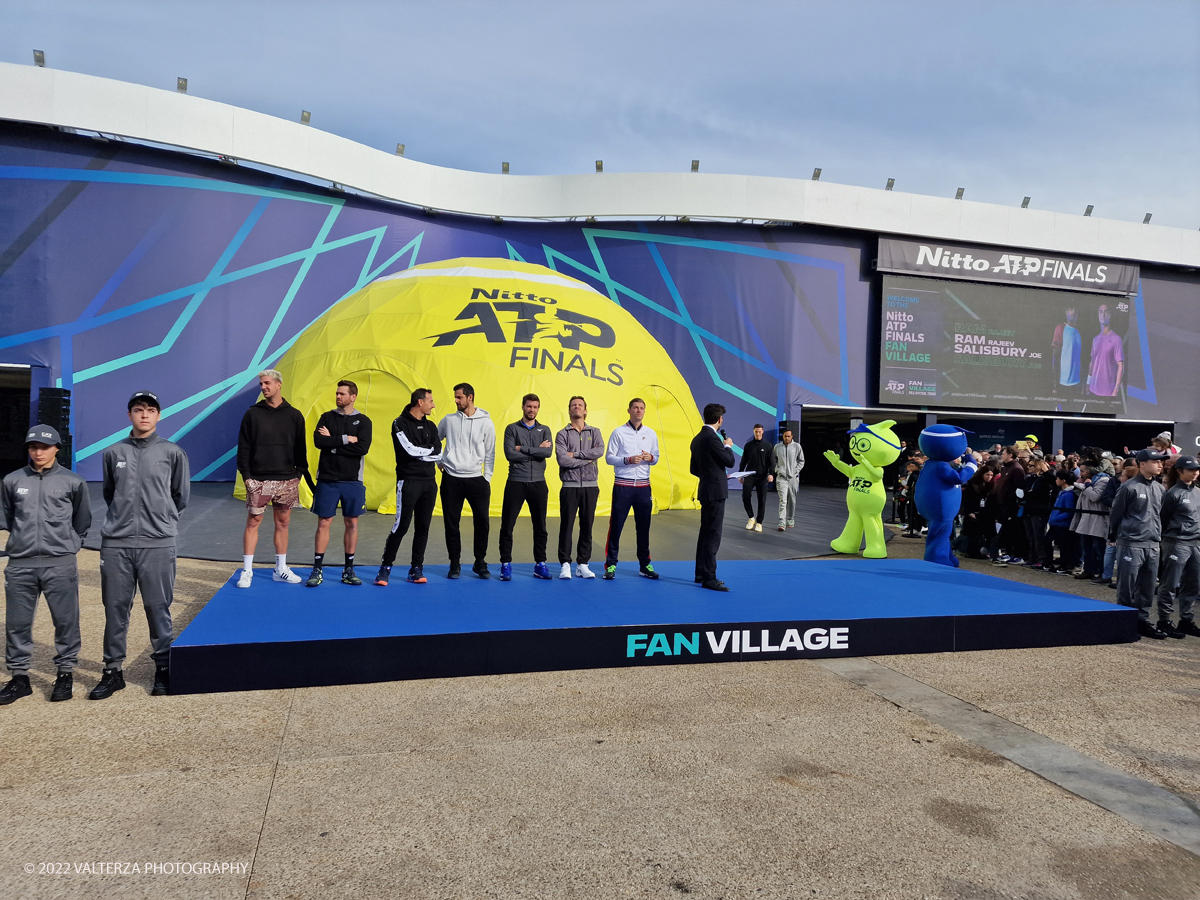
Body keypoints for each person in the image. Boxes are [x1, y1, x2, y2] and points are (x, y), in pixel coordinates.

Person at [92, 391, 191, 701]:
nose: (144, 415)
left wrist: (159, 521)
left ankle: (162, 668)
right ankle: (112, 672)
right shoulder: (112, 452)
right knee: (116, 609)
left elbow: (180, 496)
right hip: (117, 544)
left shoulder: (172, 453)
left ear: (158, 416)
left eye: (150, 410)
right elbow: (111, 493)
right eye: (138, 410)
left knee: (157, 608)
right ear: (130, 415)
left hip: (158, 543)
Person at [0, 426, 91, 705]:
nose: (38, 452)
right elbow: (8, 517)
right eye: (33, 447)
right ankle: (19, 678)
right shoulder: (12, 481)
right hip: (21, 564)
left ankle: (65, 674)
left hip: (59, 564)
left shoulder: (73, 481)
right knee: (17, 623)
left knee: (66, 621)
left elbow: (82, 520)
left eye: (44, 446)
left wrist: (70, 544)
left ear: (56, 449)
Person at [236, 369, 310, 587]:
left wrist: (298, 474)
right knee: (253, 521)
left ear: (279, 384)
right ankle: (247, 571)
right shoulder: (252, 414)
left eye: (267, 383)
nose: (263, 387)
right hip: (258, 479)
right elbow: (244, 446)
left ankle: (281, 569)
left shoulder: (294, 415)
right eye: (261, 384)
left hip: (287, 479)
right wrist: (247, 476)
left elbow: (300, 447)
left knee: (283, 522)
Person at [308, 380, 372, 587]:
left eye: (342, 394)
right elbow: (319, 442)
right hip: (327, 479)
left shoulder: (363, 421)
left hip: (352, 481)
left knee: (352, 523)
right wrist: (346, 439)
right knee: (324, 522)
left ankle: (349, 569)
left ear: (353, 397)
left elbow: (362, 448)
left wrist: (333, 442)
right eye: (337, 393)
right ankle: (317, 569)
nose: (338, 397)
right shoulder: (327, 417)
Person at [377, 388, 441, 586]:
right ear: (419, 402)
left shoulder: (432, 425)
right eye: (430, 400)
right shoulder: (399, 423)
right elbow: (409, 450)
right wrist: (428, 452)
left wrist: (427, 453)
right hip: (408, 482)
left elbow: (438, 452)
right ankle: (385, 568)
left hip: (429, 483)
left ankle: (416, 568)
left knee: (423, 527)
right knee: (401, 525)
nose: (433, 404)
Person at [1109, 448, 1169, 639]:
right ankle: (1124, 622)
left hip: (1152, 544)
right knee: (1126, 585)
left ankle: (1142, 621)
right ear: (1142, 463)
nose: (1160, 464)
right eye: (1156, 461)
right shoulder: (1129, 487)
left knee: (1148, 585)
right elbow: (1116, 514)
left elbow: (1161, 515)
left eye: (1161, 462)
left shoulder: (1160, 488)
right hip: (1131, 542)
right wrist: (1117, 535)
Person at [437, 383, 495, 579]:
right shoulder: (448, 420)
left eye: (459, 397)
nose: (456, 400)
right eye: (455, 397)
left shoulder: (486, 422)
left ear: (470, 397)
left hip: (476, 480)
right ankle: (454, 564)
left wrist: (486, 478)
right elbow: (435, 442)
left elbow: (490, 453)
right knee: (451, 523)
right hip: (451, 479)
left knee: (482, 523)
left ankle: (480, 562)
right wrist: (439, 461)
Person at [499, 394, 554, 581]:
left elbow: (547, 452)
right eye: (529, 406)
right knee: (507, 525)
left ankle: (540, 564)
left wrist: (521, 448)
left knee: (540, 526)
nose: (532, 410)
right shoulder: (511, 428)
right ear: (523, 407)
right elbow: (509, 454)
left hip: (538, 483)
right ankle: (505, 564)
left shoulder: (545, 430)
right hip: (516, 482)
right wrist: (535, 451)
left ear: (538, 409)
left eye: (535, 407)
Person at [603, 397, 660, 580]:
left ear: (644, 411)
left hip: (643, 487)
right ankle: (611, 565)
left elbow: (656, 457)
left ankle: (645, 565)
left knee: (644, 528)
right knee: (616, 526)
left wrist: (650, 457)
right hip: (623, 486)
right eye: (635, 407)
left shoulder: (651, 433)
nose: (638, 410)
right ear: (629, 410)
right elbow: (609, 458)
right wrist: (627, 460)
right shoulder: (618, 432)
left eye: (642, 408)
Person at [555, 395, 603, 579]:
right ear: (569, 410)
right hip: (569, 485)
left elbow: (599, 451)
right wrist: (587, 459)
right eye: (573, 405)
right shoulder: (562, 434)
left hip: (591, 486)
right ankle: (565, 563)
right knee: (566, 525)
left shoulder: (595, 432)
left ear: (585, 411)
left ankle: (582, 563)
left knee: (587, 526)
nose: (576, 407)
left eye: (579, 405)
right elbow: (562, 460)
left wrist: (575, 454)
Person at [690, 403, 736, 591]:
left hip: (706, 489)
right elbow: (730, 461)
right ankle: (709, 577)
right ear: (719, 420)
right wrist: (728, 446)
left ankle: (700, 572)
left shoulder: (697, 439)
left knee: (705, 532)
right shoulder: (713, 439)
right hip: (715, 491)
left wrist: (711, 473)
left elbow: (694, 469)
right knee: (713, 534)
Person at [1154, 455, 1200, 639]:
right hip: (1176, 542)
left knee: (1193, 584)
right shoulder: (1173, 494)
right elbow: (1163, 518)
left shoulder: (1198, 492)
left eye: (1197, 469)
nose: (1195, 473)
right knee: (1170, 583)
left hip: (1196, 543)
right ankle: (1164, 620)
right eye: (1191, 470)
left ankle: (1186, 620)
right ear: (1180, 471)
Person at [1071, 462, 1110, 580]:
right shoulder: (1086, 481)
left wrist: (1087, 486)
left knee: (1099, 548)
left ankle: (1102, 572)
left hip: (1097, 518)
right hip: (1086, 517)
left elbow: (1095, 497)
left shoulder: (1103, 481)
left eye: (1082, 471)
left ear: (1088, 471)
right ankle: (1088, 570)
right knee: (1086, 547)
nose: (1080, 473)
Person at [739, 424, 773, 533]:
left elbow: (771, 462)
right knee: (745, 496)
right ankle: (751, 517)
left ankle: (759, 522)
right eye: (756, 432)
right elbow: (744, 460)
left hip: (762, 476)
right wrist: (740, 474)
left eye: (759, 432)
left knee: (761, 500)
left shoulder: (768, 446)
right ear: (753, 432)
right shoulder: (748, 445)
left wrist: (771, 473)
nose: (758, 434)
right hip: (750, 475)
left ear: (762, 432)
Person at [1086, 304, 1124, 398]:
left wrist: (1115, 390)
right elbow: (1092, 363)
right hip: (1093, 390)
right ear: (1098, 315)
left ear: (1110, 314)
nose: (1103, 315)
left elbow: (1120, 367)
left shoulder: (1116, 339)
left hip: (1108, 392)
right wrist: (1088, 383)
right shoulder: (1095, 339)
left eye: (1105, 311)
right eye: (1100, 312)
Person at [1046, 470, 1079, 575]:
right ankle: (1049, 563)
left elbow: (1069, 511)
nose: (1056, 480)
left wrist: (1056, 518)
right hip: (1056, 523)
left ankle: (1064, 566)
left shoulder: (1069, 494)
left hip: (1062, 524)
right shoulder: (1062, 492)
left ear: (1063, 481)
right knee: (1048, 541)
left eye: (1058, 478)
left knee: (1064, 546)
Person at [772, 428, 804, 531]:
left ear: (792, 437)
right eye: (785, 436)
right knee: (783, 500)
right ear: (783, 436)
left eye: (788, 436)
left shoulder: (797, 446)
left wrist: (795, 471)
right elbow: (773, 461)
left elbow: (801, 460)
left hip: (793, 478)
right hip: (781, 478)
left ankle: (790, 519)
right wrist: (777, 470)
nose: (787, 438)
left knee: (792, 500)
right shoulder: (777, 447)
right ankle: (782, 521)